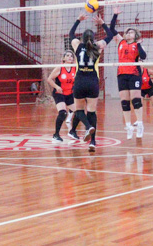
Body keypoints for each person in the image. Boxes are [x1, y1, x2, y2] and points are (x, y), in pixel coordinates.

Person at [68, 11, 116, 152]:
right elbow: (110, 36)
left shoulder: (77, 45)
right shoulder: (98, 46)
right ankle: (93, 142)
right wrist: (102, 24)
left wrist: (78, 20)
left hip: (80, 81)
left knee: (79, 110)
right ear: (94, 38)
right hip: (93, 82)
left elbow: (71, 34)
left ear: (82, 38)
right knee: (92, 112)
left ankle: (88, 127)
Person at [109, 13, 147, 139]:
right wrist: (115, 14)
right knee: (124, 102)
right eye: (127, 32)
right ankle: (129, 126)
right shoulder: (120, 41)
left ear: (135, 35)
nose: (129, 34)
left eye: (131, 32)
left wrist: (139, 44)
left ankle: (140, 124)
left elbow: (143, 56)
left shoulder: (137, 45)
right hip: (121, 74)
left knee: (136, 100)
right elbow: (112, 28)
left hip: (134, 74)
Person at [45, 49, 77, 142]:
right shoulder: (60, 68)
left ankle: (72, 131)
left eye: (71, 56)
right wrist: (56, 87)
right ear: (64, 58)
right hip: (59, 93)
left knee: (79, 113)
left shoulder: (75, 68)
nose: (70, 57)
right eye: (67, 56)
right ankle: (56, 135)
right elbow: (49, 79)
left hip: (69, 94)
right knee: (63, 113)